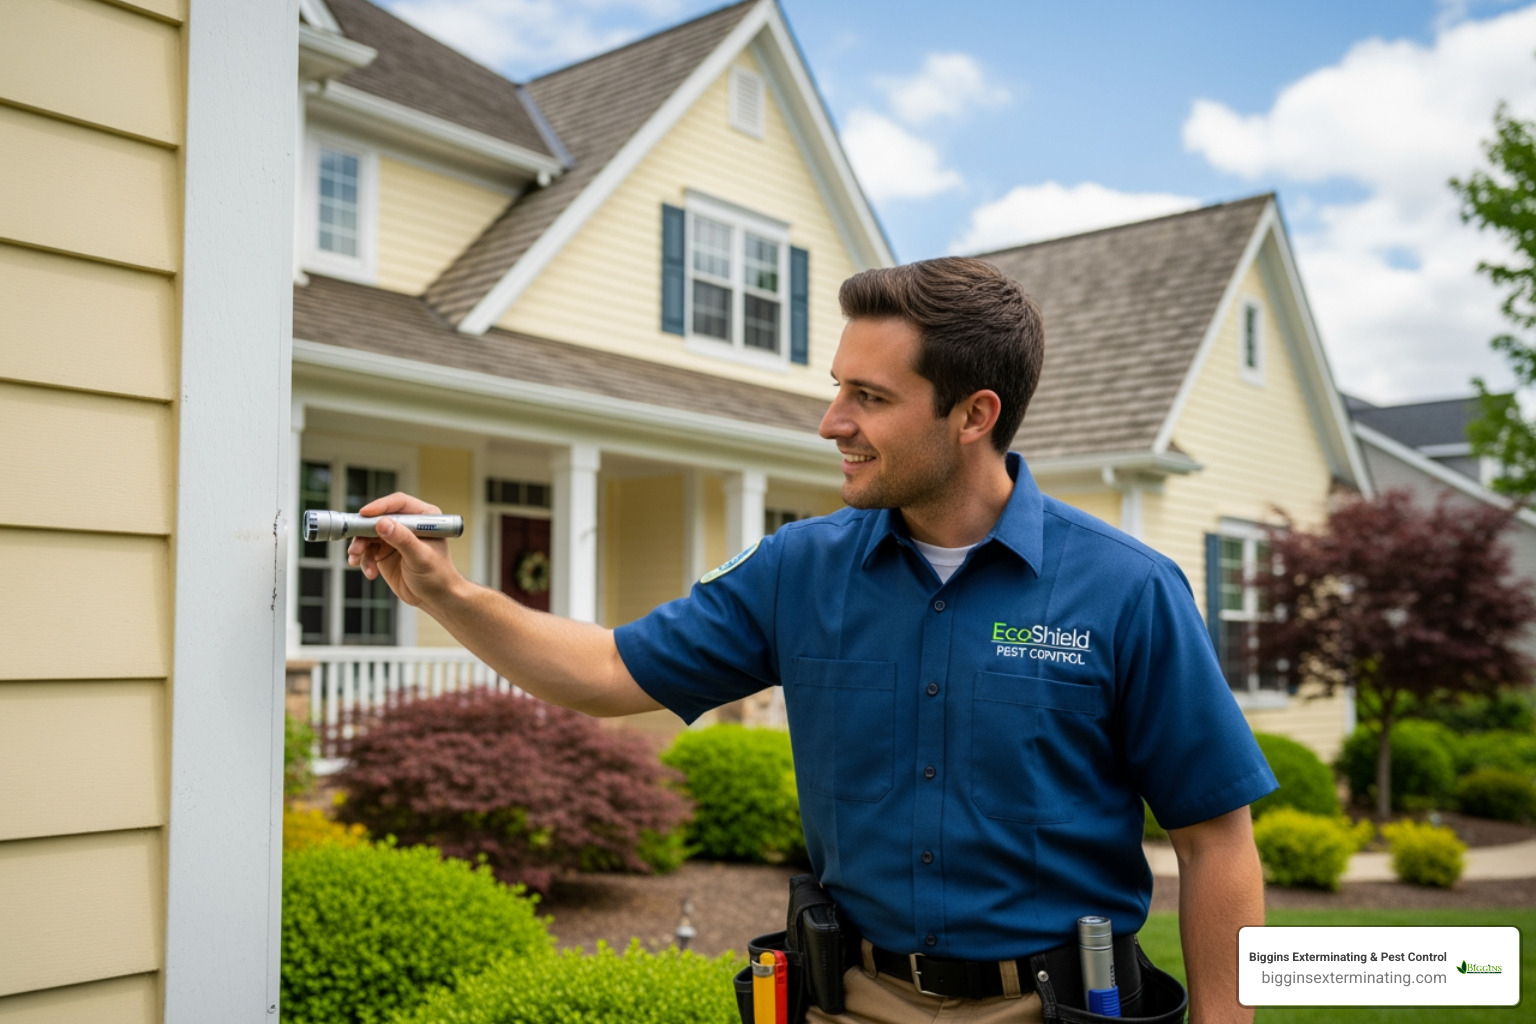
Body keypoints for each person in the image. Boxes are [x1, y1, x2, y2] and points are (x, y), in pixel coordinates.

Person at [348, 257, 1275, 1024]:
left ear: (974, 414)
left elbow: (1216, 839)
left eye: (869, 396)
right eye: (837, 387)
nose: (833, 421)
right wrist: (448, 594)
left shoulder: (1127, 589)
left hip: (1058, 1008)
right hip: (850, 1002)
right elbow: (603, 671)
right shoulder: (799, 570)